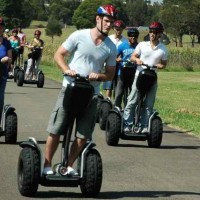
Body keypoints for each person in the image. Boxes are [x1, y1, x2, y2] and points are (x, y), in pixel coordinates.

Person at [43, 4, 118, 175]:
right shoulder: (79, 35)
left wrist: (99, 76)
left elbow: (110, 74)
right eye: (107, 21)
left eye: (111, 22)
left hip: (91, 94)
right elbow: (58, 54)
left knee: (83, 135)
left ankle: (68, 166)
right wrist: (66, 69)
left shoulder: (110, 47)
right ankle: (46, 166)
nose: (109, 25)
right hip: (70, 88)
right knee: (56, 129)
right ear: (98, 19)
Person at [123, 21, 168, 133]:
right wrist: (137, 60)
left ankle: (144, 126)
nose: (152, 34)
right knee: (132, 101)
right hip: (139, 75)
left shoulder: (163, 49)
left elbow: (164, 64)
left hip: (152, 77)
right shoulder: (142, 45)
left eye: (155, 32)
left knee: (148, 104)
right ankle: (127, 124)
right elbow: (133, 57)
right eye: (151, 31)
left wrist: (159, 65)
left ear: (160, 34)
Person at [114, 28, 139, 109]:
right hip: (122, 72)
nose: (133, 38)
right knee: (119, 93)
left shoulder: (138, 47)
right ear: (128, 37)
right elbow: (115, 57)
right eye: (131, 36)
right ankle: (116, 109)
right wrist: (119, 59)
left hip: (133, 73)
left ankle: (129, 110)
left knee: (132, 93)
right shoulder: (122, 46)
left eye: (135, 37)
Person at [102, 19, 127, 99]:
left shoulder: (125, 41)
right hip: (109, 66)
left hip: (120, 67)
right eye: (117, 29)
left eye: (120, 29)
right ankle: (107, 104)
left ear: (123, 29)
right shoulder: (108, 39)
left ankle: (115, 106)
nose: (118, 31)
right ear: (113, 29)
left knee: (118, 88)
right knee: (108, 88)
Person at [0, 17, 12, 125]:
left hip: (2, 74)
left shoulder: (7, 43)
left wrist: (8, 60)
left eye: (1, 26)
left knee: (0, 98)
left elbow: (10, 57)